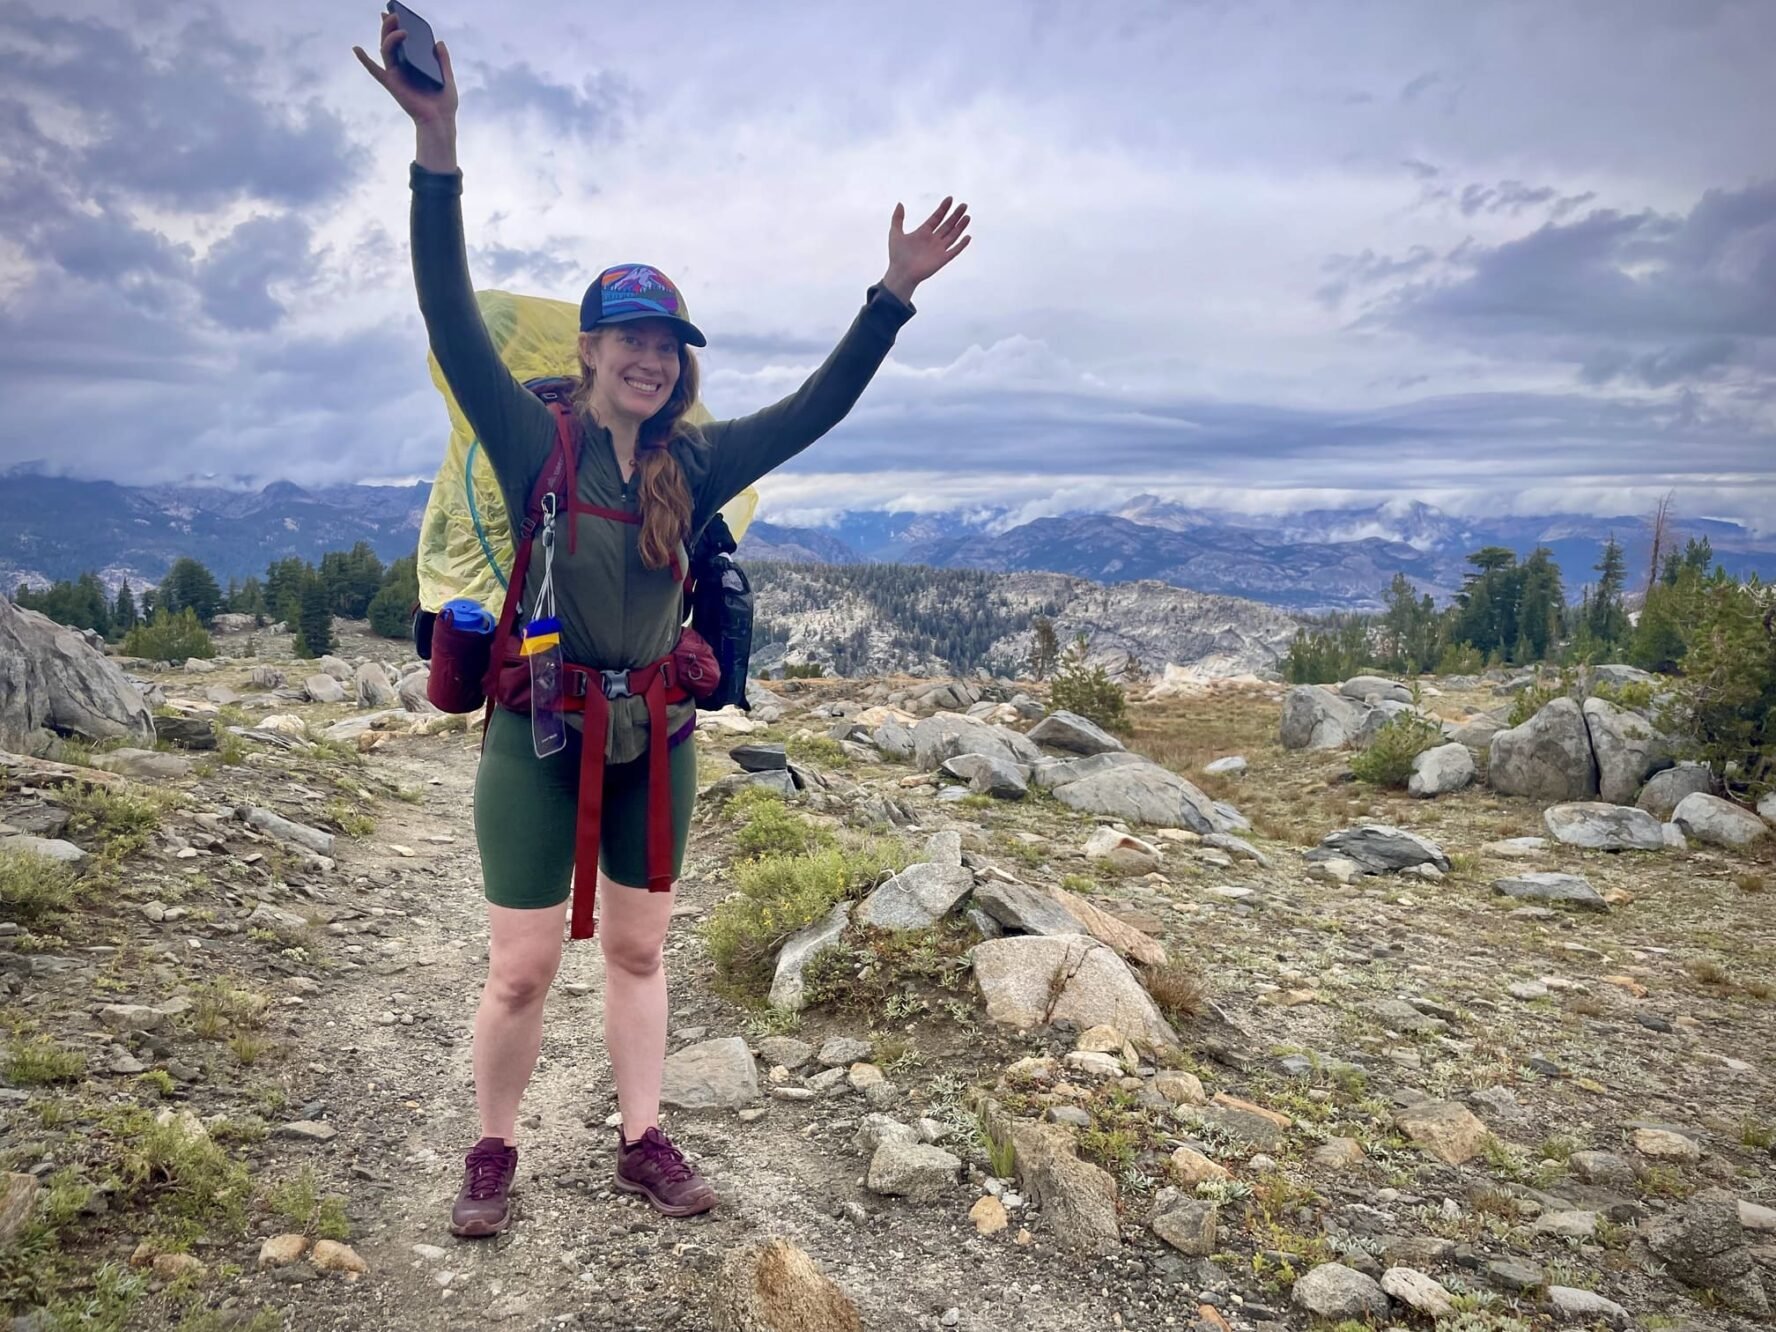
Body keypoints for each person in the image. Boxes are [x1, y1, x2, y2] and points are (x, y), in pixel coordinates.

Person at [355, 13, 972, 1237]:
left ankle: (642, 1141)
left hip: (657, 733)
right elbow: (447, 313)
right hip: (537, 732)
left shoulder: (698, 458)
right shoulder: (532, 436)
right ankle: (493, 1150)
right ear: (590, 351)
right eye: (631, 339)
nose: (651, 359)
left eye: (669, 345)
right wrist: (438, 148)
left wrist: (891, 296)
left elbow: (819, 407)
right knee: (521, 968)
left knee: (640, 954)